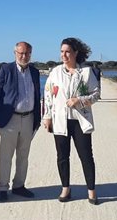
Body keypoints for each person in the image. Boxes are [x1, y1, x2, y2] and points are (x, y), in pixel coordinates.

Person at [43, 37, 101, 205]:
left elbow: (96, 94)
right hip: (60, 120)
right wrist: (47, 117)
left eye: (67, 51)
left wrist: (79, 100)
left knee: (86, 156)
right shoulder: (55, 72)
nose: (64, 55)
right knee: (62, 156)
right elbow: (48, 95)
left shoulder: (87, 72)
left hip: (79, 120)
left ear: (76, 53)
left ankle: (91, 191)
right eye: (62, 52)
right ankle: (65, 189)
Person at [0, 41, 41, 202]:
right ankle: (3, 188)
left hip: (29, 118)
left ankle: (19, 186)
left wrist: (38, 118)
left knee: (23, 155)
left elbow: (37, 94)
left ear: (30, 54)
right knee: (6, 156)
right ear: (15, 53)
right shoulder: (6, 69)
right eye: (21, 53)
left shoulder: (34, 72)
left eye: (27, 53)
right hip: (9, 119)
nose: (24, 56)